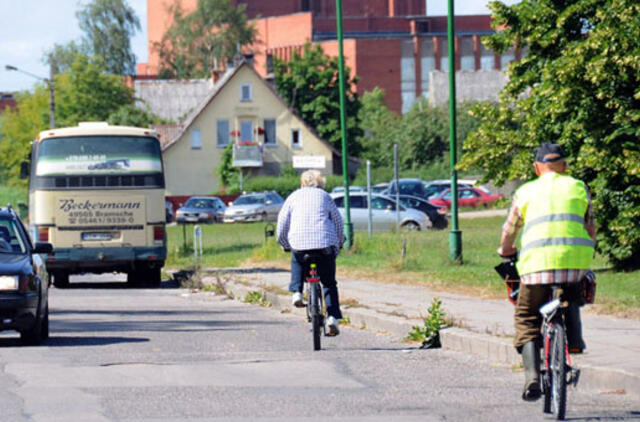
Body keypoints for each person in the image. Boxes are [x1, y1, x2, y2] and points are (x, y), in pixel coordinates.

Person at [498, 142, 596, 401]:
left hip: (535, 266)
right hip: (574, 263)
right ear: (564, 166)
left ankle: (531, 377)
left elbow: (510, 230)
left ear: (536, 168)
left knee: (527, 317)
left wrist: (505, 250)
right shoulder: (578, 187)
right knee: (570, 294)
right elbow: (590, 227)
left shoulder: (525, 191)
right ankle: (573, 340)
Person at [277, 170, 344, 336]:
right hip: (325, 245)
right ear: (320, 184)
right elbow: (338, 222)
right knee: (328, 283)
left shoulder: (293, 197)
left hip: (299, 243)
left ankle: (297, 292)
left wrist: (285, 243)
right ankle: (333, 318)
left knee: (297, 259)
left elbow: (282, 223)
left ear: (302, 183)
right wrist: (340, 242)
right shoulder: (326, 197)